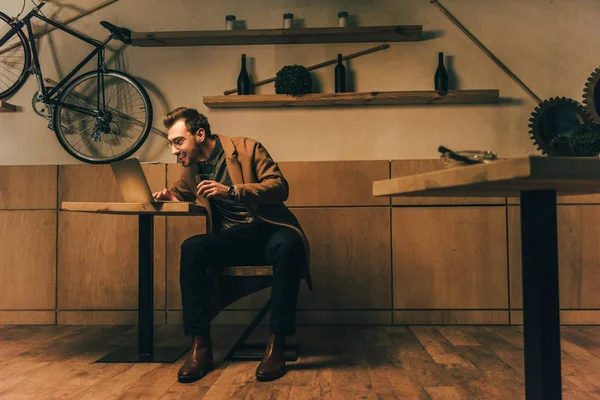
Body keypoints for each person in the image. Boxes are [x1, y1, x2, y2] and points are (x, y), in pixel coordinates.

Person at [153, 107, 312, 383]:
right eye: (171, 144)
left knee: (290, 244)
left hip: (268, 230)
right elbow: (182, 192)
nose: (174, 151)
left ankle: (276, 345)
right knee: (192, 248)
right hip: (233, 239)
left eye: (178, 142)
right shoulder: (193, 170)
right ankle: (200, 347)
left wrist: (233, 191)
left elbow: (280, 187)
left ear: (199, 134)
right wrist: (169, 195)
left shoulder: (248, 148)